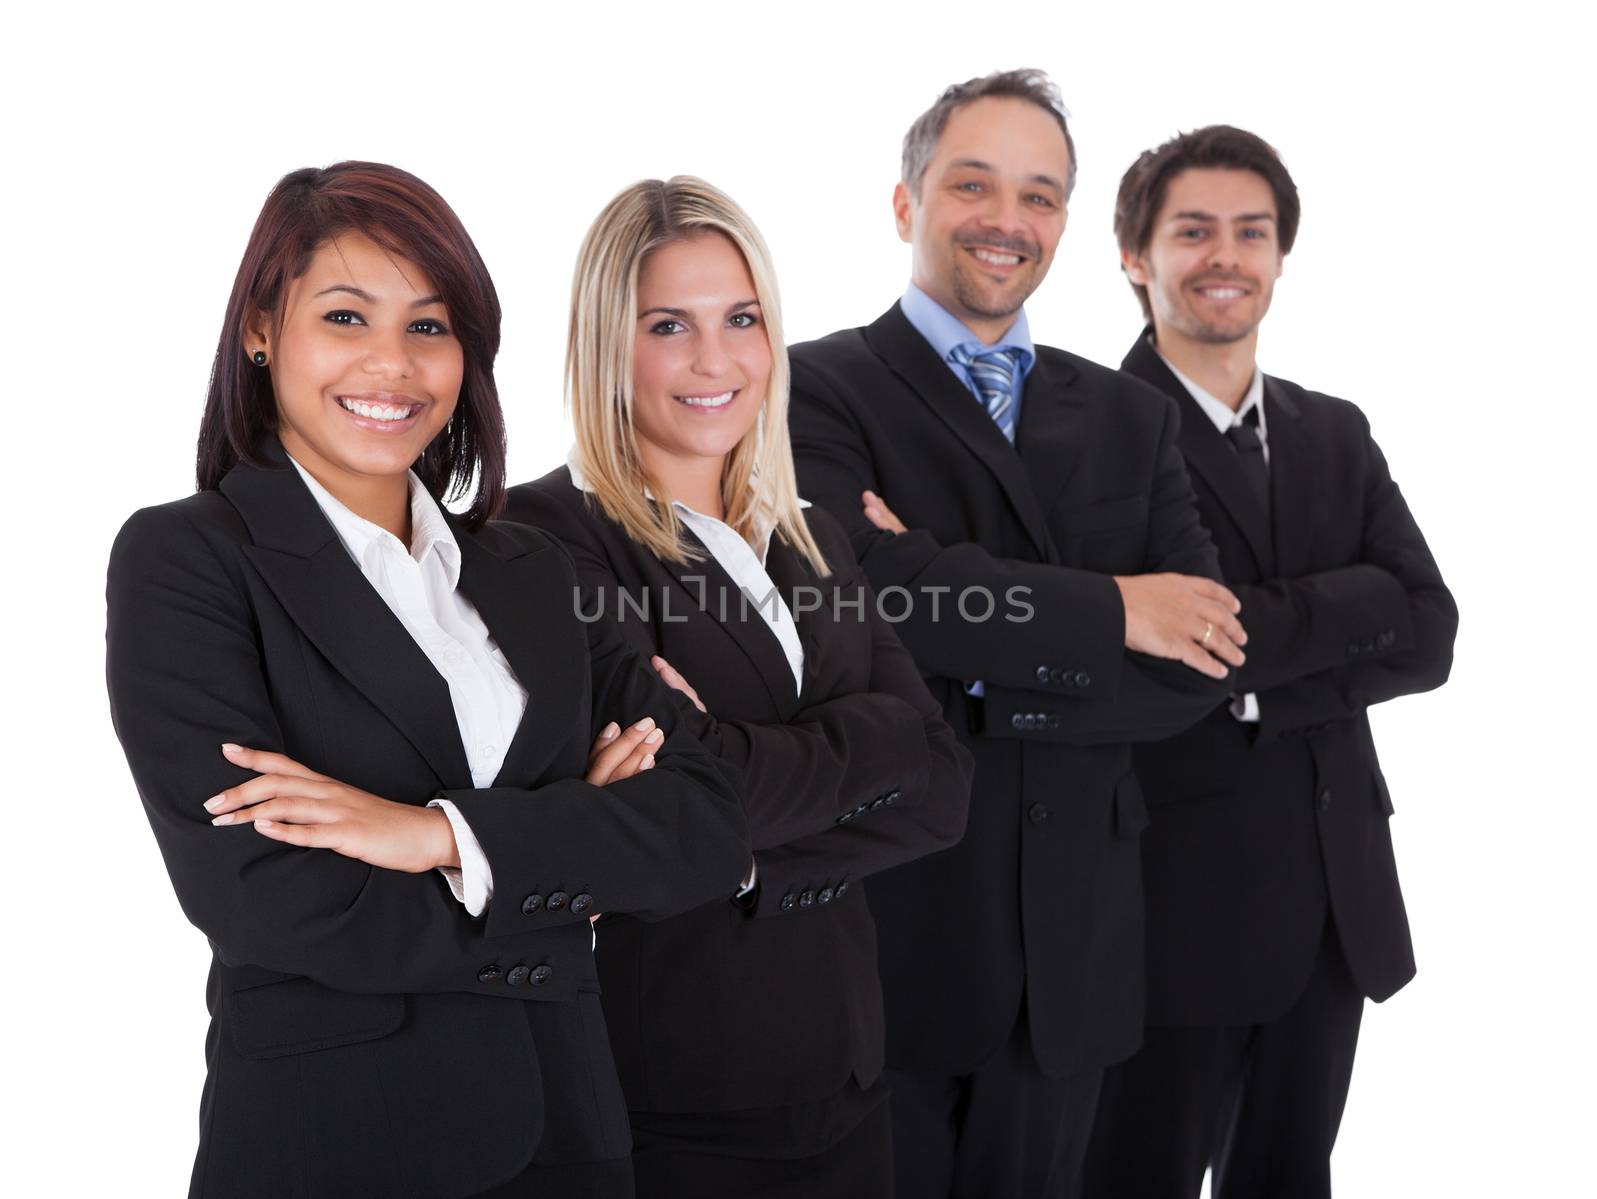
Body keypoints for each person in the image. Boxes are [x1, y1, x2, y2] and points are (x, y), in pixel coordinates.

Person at [105, 161, 751, 1199]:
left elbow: (709, 817)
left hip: (570, 1128)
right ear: (262, 327)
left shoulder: (528, 565)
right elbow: (261, 893)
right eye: (348, 316)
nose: (392, 365)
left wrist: (440, 836)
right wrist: (573, 856)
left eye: (431, 326)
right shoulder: (190, 558)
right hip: (338, 1142)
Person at [787, 70, 1239, 1198]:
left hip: (1074, 951)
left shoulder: (1132, 413)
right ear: (905, 204)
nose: (1006, 219)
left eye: (1039, 196)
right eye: (971, 184)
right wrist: (1114, 606)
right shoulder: (808, 391)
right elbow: (859, 601)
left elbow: (1205, 656)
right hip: (892, 932)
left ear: (1066, 226)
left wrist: (973, 662)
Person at [504, 176, 973, 1197]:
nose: (716, 360)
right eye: (669, 324)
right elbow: (689, 790)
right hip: (668, 1087)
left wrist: (743, 841)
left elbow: (940, 783)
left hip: (844, 1068)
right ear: (604, 343)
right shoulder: (539, 541)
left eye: (742, 319)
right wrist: (868, 741)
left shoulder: (808, 532)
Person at [1080, 125, 1458, 1199]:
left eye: (1251, 232)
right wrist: (1344, 615)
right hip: (1170, 910)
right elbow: (1150, 669)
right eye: (1191, 230)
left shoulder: (1332, 430)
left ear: (1281, 255)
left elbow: (1428, 629)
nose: (1225, 256)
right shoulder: (1083, 435)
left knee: (1291, 1177)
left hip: (1336, 901)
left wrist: (1247, 663)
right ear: (1134, 254)